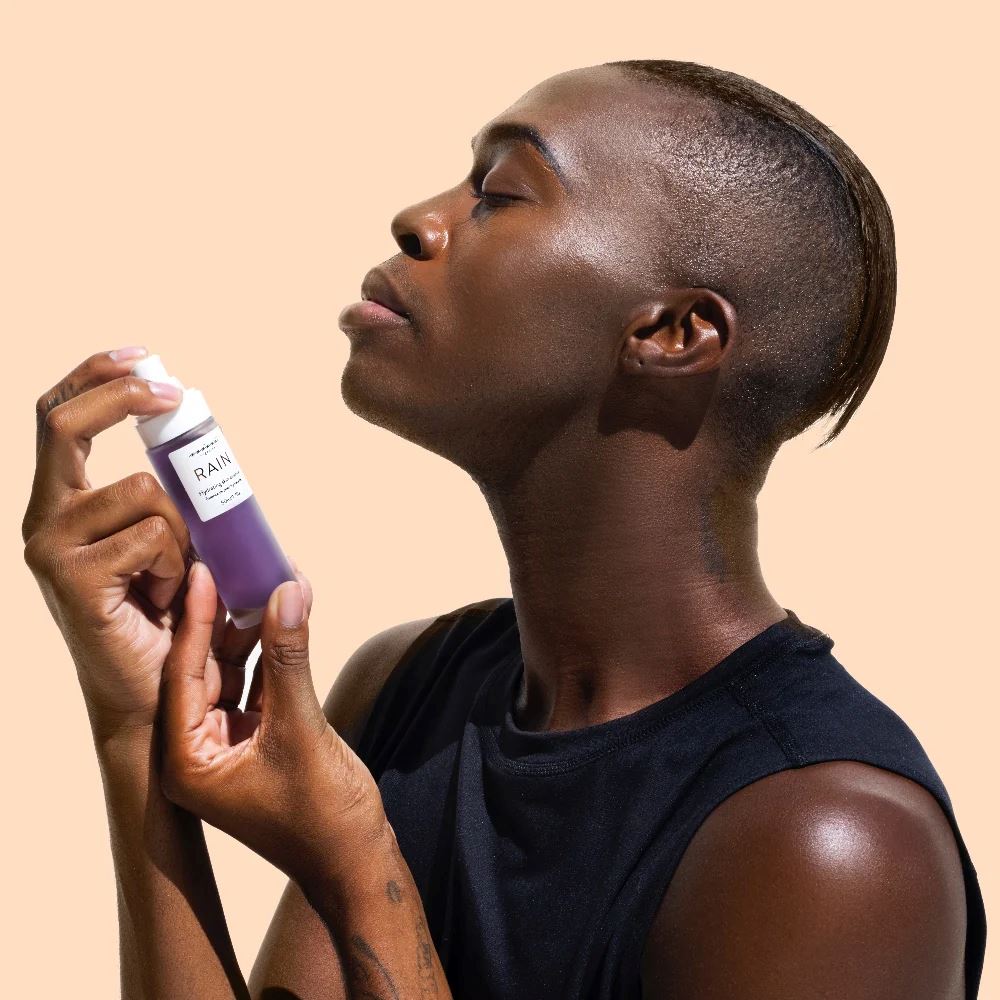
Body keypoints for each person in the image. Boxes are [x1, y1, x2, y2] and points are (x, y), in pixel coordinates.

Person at [21, 59, 986, 999]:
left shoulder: (831, 843)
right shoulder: (409, 688)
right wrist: (134, 728)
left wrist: (360, 861)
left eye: (501, 192)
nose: (418, 219)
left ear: (671, 333)